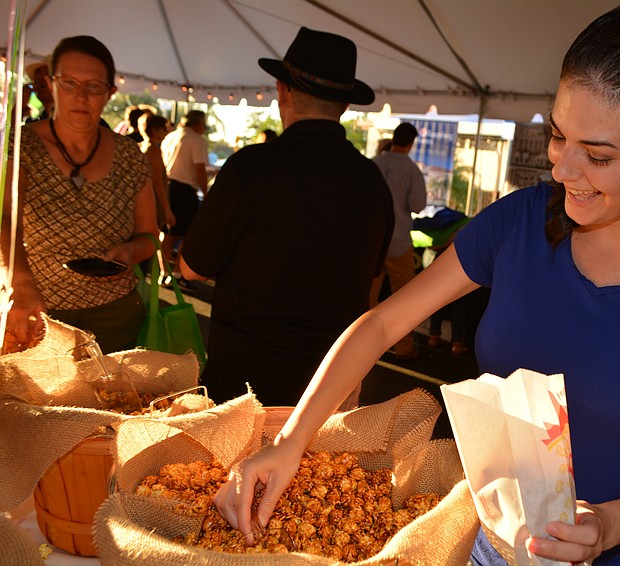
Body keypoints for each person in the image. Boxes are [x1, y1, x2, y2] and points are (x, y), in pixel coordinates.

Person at [213, 2, 620, 565]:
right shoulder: (523, 221)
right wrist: (292, 441)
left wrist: (608, 523)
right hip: (474, 539)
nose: (563, 169)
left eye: (598, 156)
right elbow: (382, 322)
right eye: (559, 137)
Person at [177, 27, 393, 408]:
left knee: (233, 468)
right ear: (344, 105)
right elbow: (372, 281)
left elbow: (192, 268)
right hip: (328, 383)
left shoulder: (250, 168)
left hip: (243, 384)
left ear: (282, 90)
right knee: (326, 469)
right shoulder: (371, 180)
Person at [1, 35, 157, 353]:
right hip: (35, 312)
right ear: (51, 83)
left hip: (114, 315)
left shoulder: (130, 156)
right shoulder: (20, 146)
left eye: (94, 86)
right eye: (69, 82)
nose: (80, 95)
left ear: (110, 93)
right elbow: (4, 218)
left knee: (114, 400)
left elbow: (150, 236)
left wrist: (130, 251)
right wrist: (20, 281)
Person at [369, 122, 427, 359]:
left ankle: (361, 343)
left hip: (372, 240)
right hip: (399, 239)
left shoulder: (374, 164)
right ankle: (403, 347)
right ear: (411, 143)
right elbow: (418, 205)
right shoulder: (411, 170)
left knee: (367, 296)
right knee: (403, 296)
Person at [161, 109, 209, 286]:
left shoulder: (171, 136)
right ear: (199, 124)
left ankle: (164, 272)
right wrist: (206, 193)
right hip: (184, 190)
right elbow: (199, 170)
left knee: (167, 233)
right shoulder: (196, 140)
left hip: (167, 187)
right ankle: (178, 274)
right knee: (186, 234)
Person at [138, 113, 176, 234]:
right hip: (153, 199)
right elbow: (157, 182)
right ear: (155, 130)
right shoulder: (154, 150)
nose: (166, 132)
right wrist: (167, 210)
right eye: (163, 128)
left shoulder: (144, 146)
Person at [24, 57, 54, 122]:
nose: (40, 80)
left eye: (48, 75)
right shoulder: (36, 122)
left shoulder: (70, 119)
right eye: (37, 77)